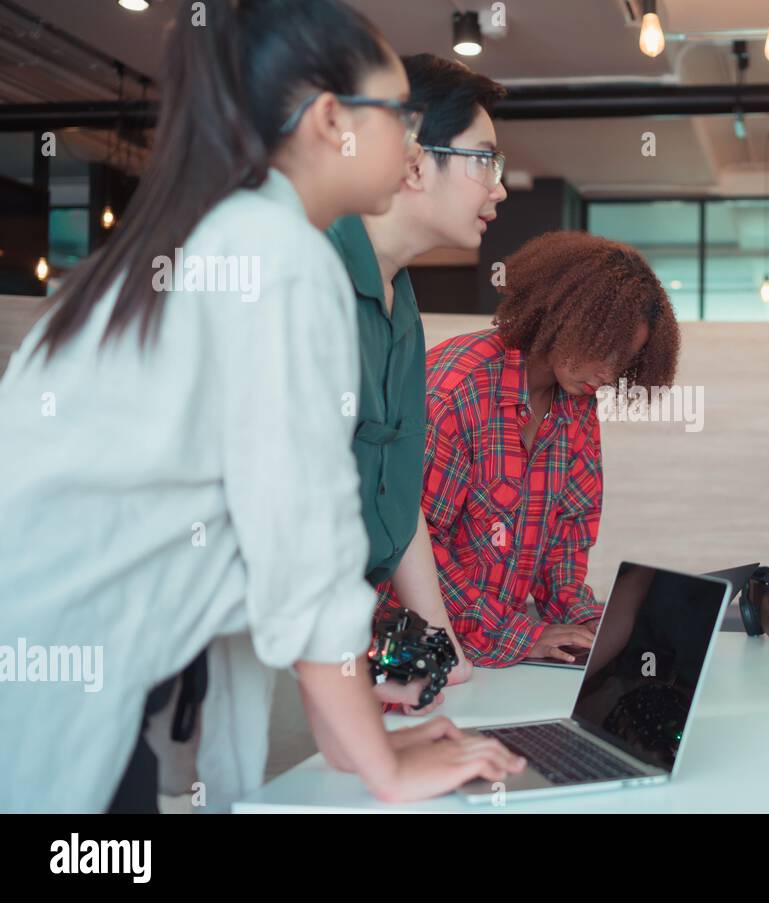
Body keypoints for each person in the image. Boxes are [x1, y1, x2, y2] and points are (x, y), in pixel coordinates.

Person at [0, 0, 520, 812]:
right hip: (76, 677)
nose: (410, 146)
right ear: (329, 122)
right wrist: (384, 768)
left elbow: (291, 546)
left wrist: (360, 740)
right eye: (396, 118)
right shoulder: (275, 255)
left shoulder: (220, 236)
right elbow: (305, 550)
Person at [379, 231, 681, 667]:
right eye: (606, 350)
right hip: (412, 655)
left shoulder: (576, 405)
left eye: (625, 362)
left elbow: (568, 533)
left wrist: (586, 621)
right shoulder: (455, 393)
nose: (610, 373)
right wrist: (516, 634)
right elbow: (415, 544)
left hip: (497, 656)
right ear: (564, 316)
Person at [326, 53, 508, 711]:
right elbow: (291, 520)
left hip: (316, 632)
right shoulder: (306, 272)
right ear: (412, 161)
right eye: (483, 160)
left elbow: (398, 501)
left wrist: (444, 648)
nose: (500, 187)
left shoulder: (401, 303)